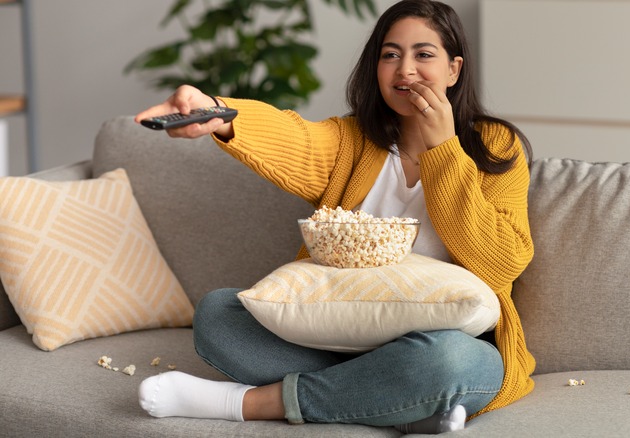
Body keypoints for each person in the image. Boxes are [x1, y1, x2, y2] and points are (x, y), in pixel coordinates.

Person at [134, 0, 535, 433]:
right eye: (390, 54)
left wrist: (443, 149)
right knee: (219, 315)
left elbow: (503, 261)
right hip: (337, 341)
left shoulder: (495, 145)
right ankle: (397, 403)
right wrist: (218, 113)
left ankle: (253, 403)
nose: (405, 70)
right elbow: (293, 137)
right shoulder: (351, 141)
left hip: (443, 345)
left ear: (453, 70)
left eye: (423, 54)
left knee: (449, 362)